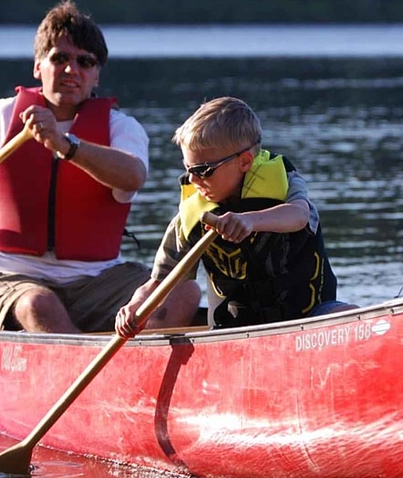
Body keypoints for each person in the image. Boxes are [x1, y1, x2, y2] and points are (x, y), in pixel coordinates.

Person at [0, 0, 199, 333]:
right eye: (59, 58)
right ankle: (90, 373)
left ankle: (135, 366)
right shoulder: (3, 115)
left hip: (98, 280)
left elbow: (132, 175)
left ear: (96, 75)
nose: (71, 70)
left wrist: (68, 146)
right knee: (39, 305)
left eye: (84, 62)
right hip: (9, 276)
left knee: (184, 293)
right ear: (38, 67)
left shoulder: (122, 128)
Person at [116, 97, 354, 337]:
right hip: (233, 331)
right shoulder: (192, 214)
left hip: (310, 317)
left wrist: (250, 220)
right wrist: (135, 306)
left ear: (245, 161)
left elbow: (299, 216)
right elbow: (158, 282)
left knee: (348, 316)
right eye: (188, 170)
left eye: (203, 171)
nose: (193, 180)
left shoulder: (285, 183)